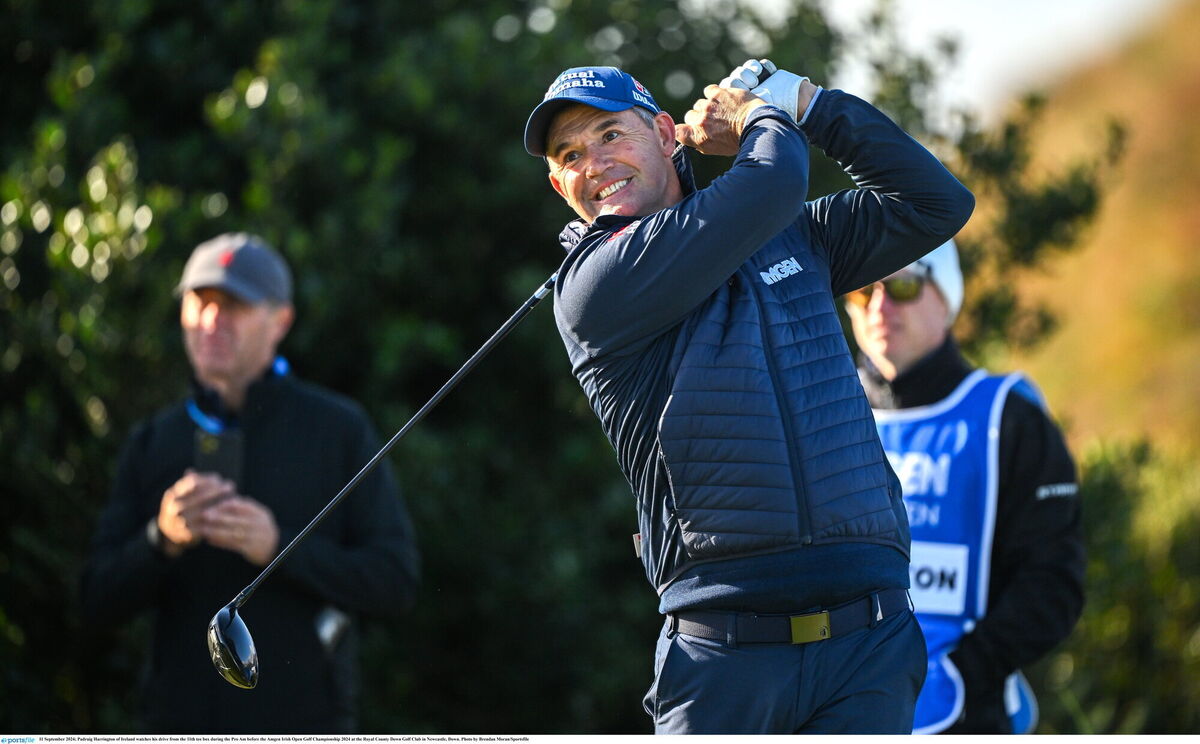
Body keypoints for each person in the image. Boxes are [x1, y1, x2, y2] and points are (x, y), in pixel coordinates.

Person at [522, 58, 974, 734]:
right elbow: (773, 179)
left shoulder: (798, 236)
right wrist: (759, 113)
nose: (594, 162)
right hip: (724, 661)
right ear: (561, 186)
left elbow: (938, 202)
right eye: (572, 155)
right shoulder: (594, 285)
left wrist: (810, 103)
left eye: (611, 135)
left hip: (867, 644)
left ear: (667, 133)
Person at [81, 233, 420, 734]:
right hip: (175, 723)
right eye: (200, 302)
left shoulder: (337, 430)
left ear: (280, 320)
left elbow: (396, 581)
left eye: (234, 304)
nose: (212, 320)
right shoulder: (152, 442)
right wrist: (161, 539)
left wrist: (280, 547)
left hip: (304, 723)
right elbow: (92, 602)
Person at [843, 239, 1085, 734]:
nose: (880, 306)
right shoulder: (825, 417)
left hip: (966, 718)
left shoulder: (1008, 417)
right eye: (862, 291)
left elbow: (1054, 582)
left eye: (903, 284)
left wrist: (962, 675)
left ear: (947, 297)